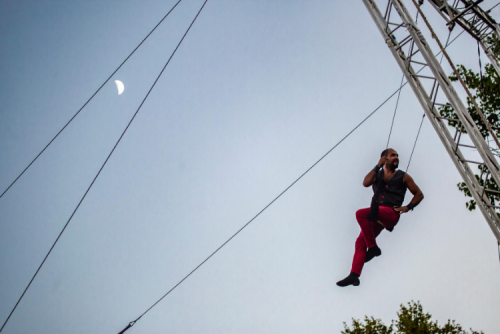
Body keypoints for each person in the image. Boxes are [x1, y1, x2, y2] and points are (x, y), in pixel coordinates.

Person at [336, 148, 424, 287]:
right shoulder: (378, 173)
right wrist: (377, 166)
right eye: (393, 155)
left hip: (391, 213)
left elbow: (419, 194)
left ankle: (373, 248)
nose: (396, 157)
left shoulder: (403, 176)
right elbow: (365, 183)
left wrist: (408, 207)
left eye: (397, 156)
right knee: (359, 242)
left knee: (360, 214)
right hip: (376, 213)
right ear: (384, 159)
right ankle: (354, 275)